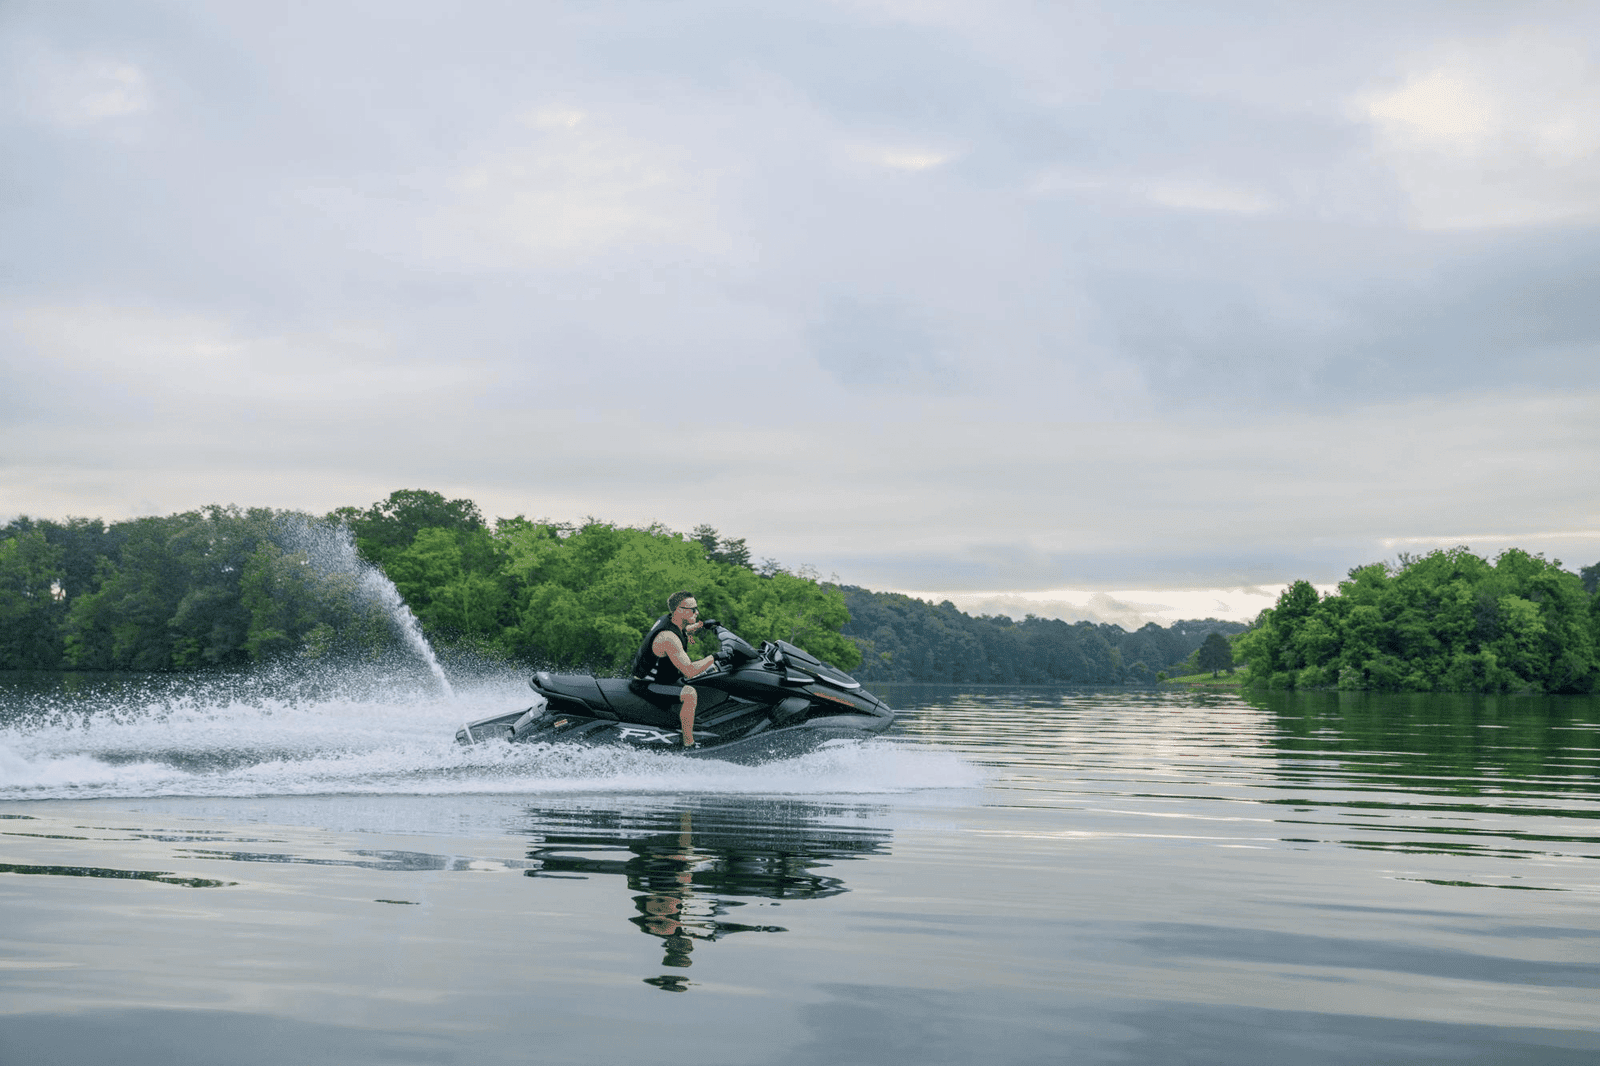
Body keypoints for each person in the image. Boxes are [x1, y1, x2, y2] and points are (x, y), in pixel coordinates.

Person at [630, 591, 717, 747]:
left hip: (662, 678)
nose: (697, 612)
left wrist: (701, 626)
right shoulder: (668, 638)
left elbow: (682, 629)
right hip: (647, 685)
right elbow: (689, 671)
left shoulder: (669, 620)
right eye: (693, 609)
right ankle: (689, 744)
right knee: (690, 694)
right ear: (679, 610)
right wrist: (714, 657)